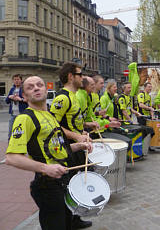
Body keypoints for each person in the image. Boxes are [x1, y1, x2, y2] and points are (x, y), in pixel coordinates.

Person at [6, 76, 92, 230]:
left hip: (63, 181)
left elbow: (56, 150)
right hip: (47, 186)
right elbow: (11, 158)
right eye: (30, 87)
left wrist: (79, 146)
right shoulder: (25, 118)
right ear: (24, 96)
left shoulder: (50, 116)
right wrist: (46, 168)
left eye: (40, 85)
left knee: (67, 224)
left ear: (46, 90)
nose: (36, 88)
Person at [50, 62, 93, 228]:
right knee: (69, 187)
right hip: (68, 151)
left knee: (77, 184)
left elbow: (73, 123)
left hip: (77, 149)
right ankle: (68, 222)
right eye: (80, 74)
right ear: (70, 77)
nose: (82, 77)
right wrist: (75, 135)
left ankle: (75, 218)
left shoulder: (74, 96)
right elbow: (53, 124)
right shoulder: (62, 98)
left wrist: (82, 133)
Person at [6, 74, 28, 141]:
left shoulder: (24, 89)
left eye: (18, 79)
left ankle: (23, 145)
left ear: (21, 80)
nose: (16, 81)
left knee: (23, 132)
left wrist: (20, 99)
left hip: (22, 114)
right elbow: (7, 101)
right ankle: (10, 146)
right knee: (10, 132)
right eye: (15, 79)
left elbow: (28, 100)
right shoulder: (12, 89)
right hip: (13, 114)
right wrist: (10, 97)